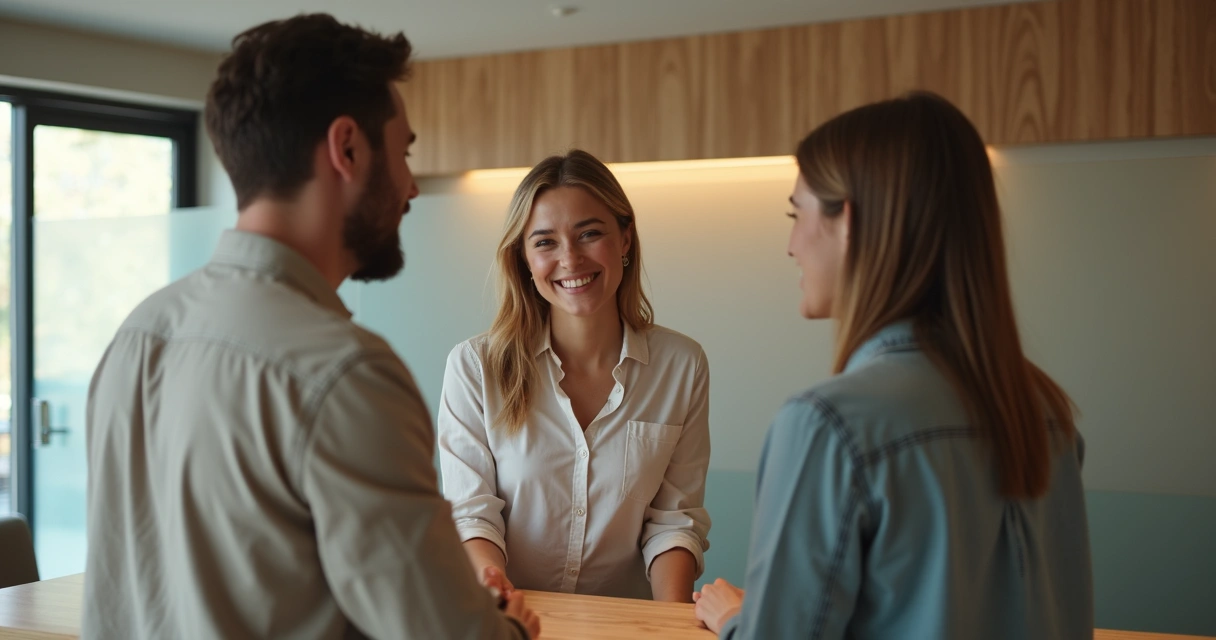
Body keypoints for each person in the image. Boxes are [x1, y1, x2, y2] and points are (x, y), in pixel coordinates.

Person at [83, 14, 539, 639]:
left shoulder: (137, 336)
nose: (410, 187)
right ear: (346, 148)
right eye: (404, 151)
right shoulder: (345, 373)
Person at [694, 92, 1093, 639]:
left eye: (795, 214)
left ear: (848, 222)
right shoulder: (1045, 412)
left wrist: (740, 622)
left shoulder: (828, 425)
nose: (790, 245)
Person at [437, 150, 712, 602]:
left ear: (625, 239)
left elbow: (673, 521)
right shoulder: (474, 366)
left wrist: (672, 625)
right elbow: (472, 515)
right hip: (510, 619)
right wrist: (498, 601)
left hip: (626, 625)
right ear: (524, 259)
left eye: (589, 234)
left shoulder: (682, 365)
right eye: (545, 242)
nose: (570, 259)